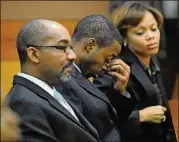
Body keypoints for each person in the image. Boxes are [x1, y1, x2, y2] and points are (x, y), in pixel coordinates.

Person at [94, 2, 177, 142]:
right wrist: (140, 116)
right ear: (124, 37)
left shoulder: (153, 59)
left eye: (154, 28)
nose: (151, 36)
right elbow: (99, 114)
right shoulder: (115, 67)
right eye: (140, 32)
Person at [5, 19, 100, 142]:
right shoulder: (22, 102)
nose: (72, 56)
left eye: (70, 48)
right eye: (62, 47)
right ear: (34, 54)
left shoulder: (52, 89)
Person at [56, 14, 136, 142]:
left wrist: (118, 91)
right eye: (108, 58)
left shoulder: (78, 75)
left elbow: (106, 123)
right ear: (90, 45)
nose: (108, 66)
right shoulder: (65, 80)